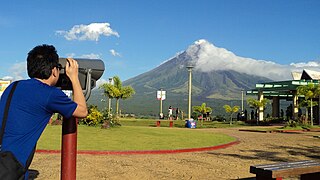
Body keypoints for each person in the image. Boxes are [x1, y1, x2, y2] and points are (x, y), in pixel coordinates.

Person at [0, 44, 88, 179]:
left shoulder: (13, 86)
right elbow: (82, 111)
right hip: (10, 167)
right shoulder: (50, 94)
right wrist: (75, 78)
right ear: (54, 71)